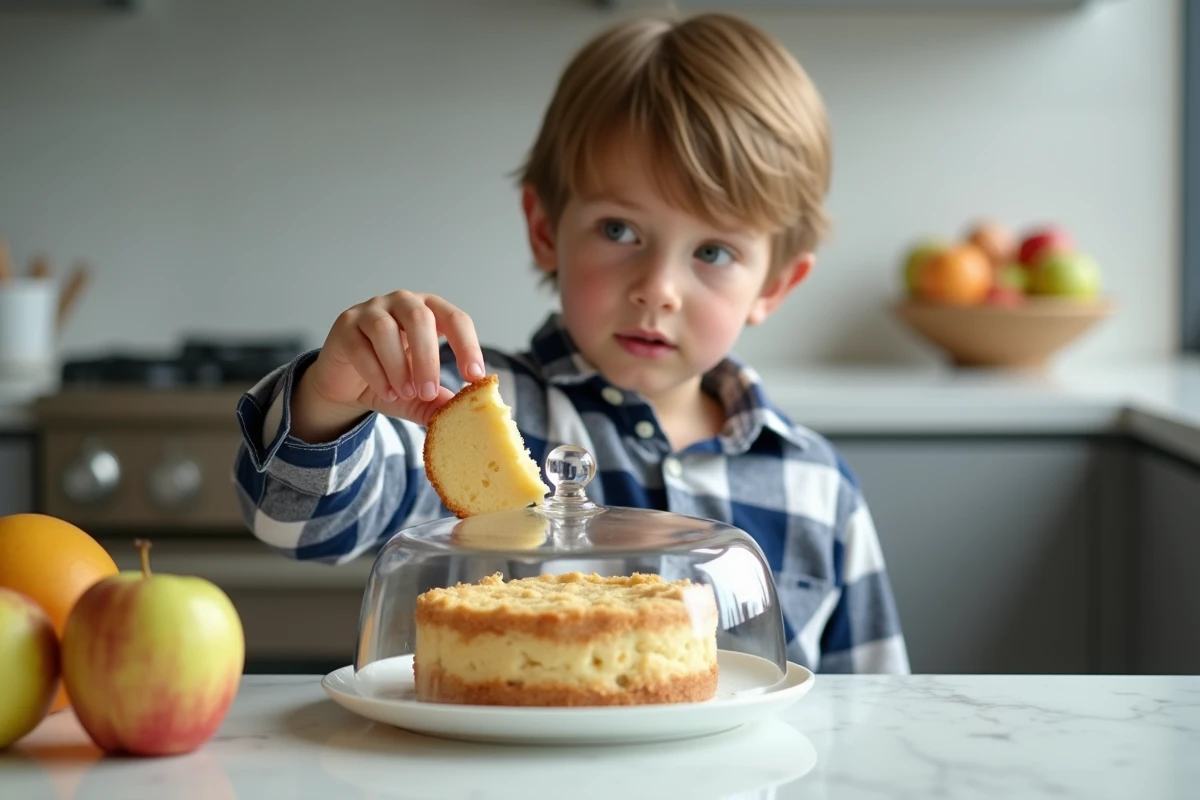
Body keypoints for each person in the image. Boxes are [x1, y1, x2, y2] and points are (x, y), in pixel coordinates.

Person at [232, 11, 909, 674]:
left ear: (777, 284)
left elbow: (878, 716)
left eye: (713, 250)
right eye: (620, 231)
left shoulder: (818, 488)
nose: (657, 289)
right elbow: (300, 528)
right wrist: (330, 398)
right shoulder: (470, 420)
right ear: (546, 228)